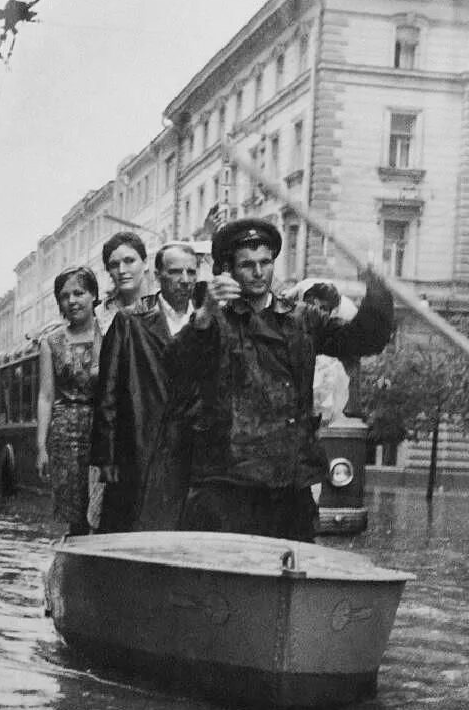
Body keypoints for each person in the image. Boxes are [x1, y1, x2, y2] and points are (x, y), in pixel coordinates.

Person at [166, 217, 394, 542]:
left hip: (290, 482)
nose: (259, 273)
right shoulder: (215, 320)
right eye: (247, 265)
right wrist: (205, 314)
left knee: (292, 574)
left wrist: (377, 287)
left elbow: (365, 339)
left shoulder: (302, 318)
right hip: (230, 483)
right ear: (229, 269)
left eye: (265, 263)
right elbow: (176, 367)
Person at [91, 241, 199, 533]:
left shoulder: (206, 322)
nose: (185, 280)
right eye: (176, 272)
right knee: (133, 528)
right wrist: (106, 457)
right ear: (159, 274)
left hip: (192, 448)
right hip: (140, 444)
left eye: (191, 272)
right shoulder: (130, 321)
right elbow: (108, 391)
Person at [36, 266, 102, 535]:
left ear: (94, 296)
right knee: (74, 512)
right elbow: (46, 395)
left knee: (102, 505)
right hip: (66, 434)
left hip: (102, 426)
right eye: (65, 296)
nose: (72, 301)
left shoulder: (109, 332)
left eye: (79, 293)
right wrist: (41, 446)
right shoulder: (51, 341)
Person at [95, 232, 151, 336]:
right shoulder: (102, 314)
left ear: (145, 263)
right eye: (114, 265)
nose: (122, 270)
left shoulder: (161, 303)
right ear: (108, 270)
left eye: (129, 261)